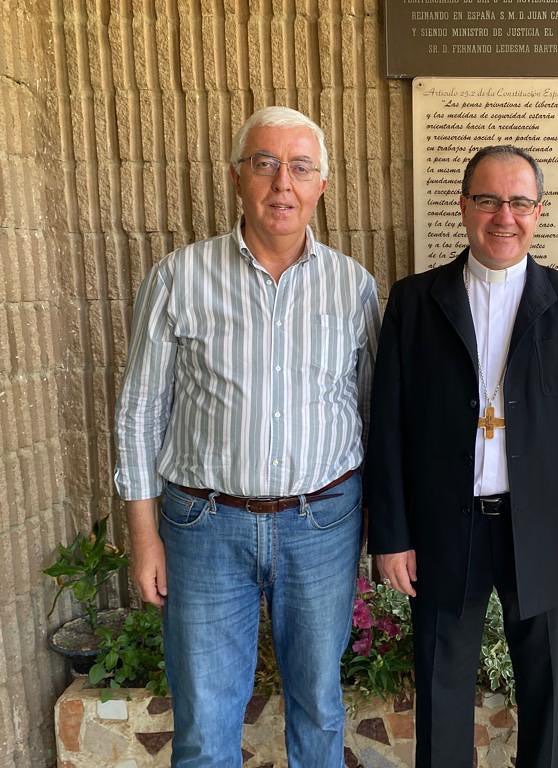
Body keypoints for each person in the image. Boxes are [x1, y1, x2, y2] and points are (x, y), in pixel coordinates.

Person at [114, 106, 380, 767]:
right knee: (204, 724)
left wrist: (378, 523)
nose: (281, 184)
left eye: (299, 167)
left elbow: (374, 412)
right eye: (265, 164)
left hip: (323, 524)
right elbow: (141, 409)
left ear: (323, 184)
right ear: (238, 177)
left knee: (318, 709)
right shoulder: (178, 278)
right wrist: (144, 535)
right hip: (205, 526)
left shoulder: (354, 286)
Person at [366, 145, 558, 768]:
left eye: (519, 202)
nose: (503, 216)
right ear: (463, 207)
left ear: (539, 212)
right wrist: (392, 535)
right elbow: (389, 426)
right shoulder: (414, 302)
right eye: (487, 200)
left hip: (543, 530)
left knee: (544, 687)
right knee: (440, 686)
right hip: (441, 528)